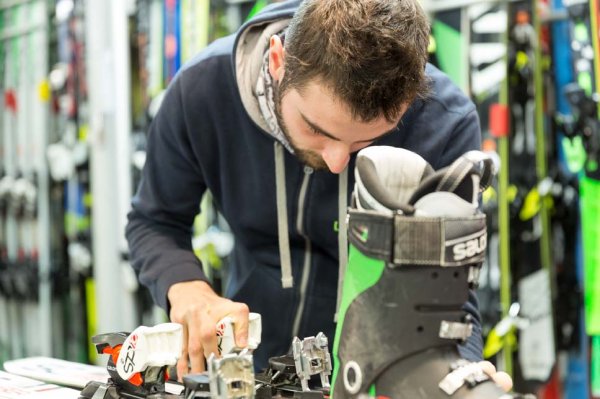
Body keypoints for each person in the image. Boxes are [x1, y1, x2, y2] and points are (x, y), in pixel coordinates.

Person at [126, 0, 512, 390]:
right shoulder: (204, 89)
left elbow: (449, 292)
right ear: (279, 62)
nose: (338, 161)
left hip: (379, 377)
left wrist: (456, 373)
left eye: (367, 140)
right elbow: (154, 221)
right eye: (317, 130)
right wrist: (187, 288)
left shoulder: (443, 119)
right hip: (250, 373)